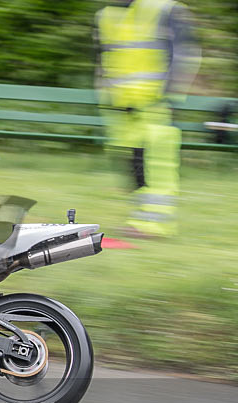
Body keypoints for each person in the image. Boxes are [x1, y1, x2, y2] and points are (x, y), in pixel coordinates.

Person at [95, 0, 200, 238]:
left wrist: (169, 96)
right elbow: (104, 58)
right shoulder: (106, 15)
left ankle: (156, 225)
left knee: (157, 168)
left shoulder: (164, 8)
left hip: (155, 108)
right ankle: (138, 221)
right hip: (122, 110)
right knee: (134, 169)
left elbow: (185, 54)